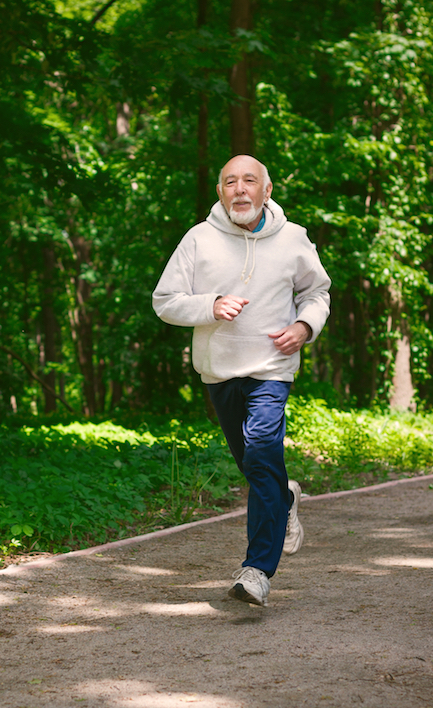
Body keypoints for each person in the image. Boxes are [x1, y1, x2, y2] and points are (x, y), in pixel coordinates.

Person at [152, 154, 331, 607]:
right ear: (220, 192)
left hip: (271, 369)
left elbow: (317, 292)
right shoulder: (198, 240)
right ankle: (285, 499)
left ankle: (257, 570)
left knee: (263, 449)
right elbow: (165, 300)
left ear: (266, 190)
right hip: (219, 370)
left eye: (249, 180)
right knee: (257, 467)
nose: (240, 189)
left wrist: (304, 327)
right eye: (230, 181)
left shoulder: (293, 239)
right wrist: (209, 305)